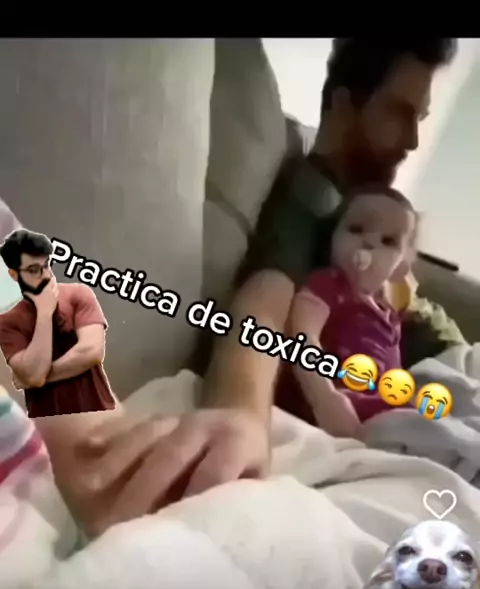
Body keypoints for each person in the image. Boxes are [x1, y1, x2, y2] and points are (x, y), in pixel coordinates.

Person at [36, 39, 458, 537]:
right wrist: (240, 408)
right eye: (399, 113)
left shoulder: (371, 204)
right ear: (347, 105)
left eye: (419, 119)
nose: (413, 140)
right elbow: (268, 291)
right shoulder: (316, 198)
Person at [276, 186, 419, 439]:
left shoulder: (389, 315)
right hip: (337, 400)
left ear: (401, 267)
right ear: (333, 237)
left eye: (388, 241)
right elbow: (301, 336)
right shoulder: (328, 285)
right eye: (356, 228)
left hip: (379, 405)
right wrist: (324, 397)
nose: (369, 242)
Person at [0, 229, 116, 418]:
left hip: (99, 416)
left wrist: (35, 379)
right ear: (14, 274)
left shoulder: (78, 295)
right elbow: (33, 374)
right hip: (52, 427)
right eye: (34, 270)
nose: (46, 275)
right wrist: (44, 314)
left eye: (46, 265)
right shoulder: (8, 322)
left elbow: (91, 352)